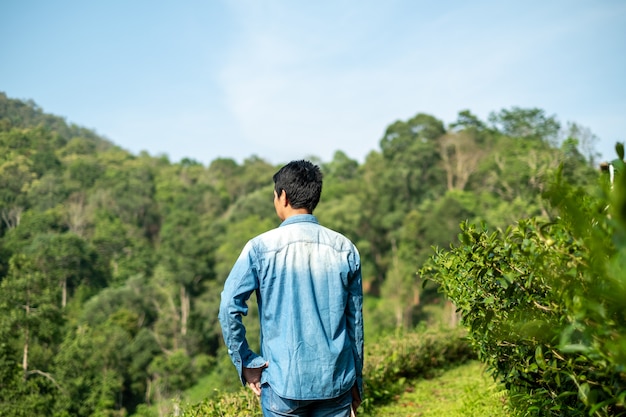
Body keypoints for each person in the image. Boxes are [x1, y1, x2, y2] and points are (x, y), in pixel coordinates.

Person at [218, 160, 364, 417]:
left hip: (282, 384)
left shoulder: (259, 248)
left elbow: (229, 307)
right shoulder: (345, 248)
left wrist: (246, 363)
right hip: (336, 383)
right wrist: (356, 383)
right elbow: (355, 324)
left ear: (282, 196)